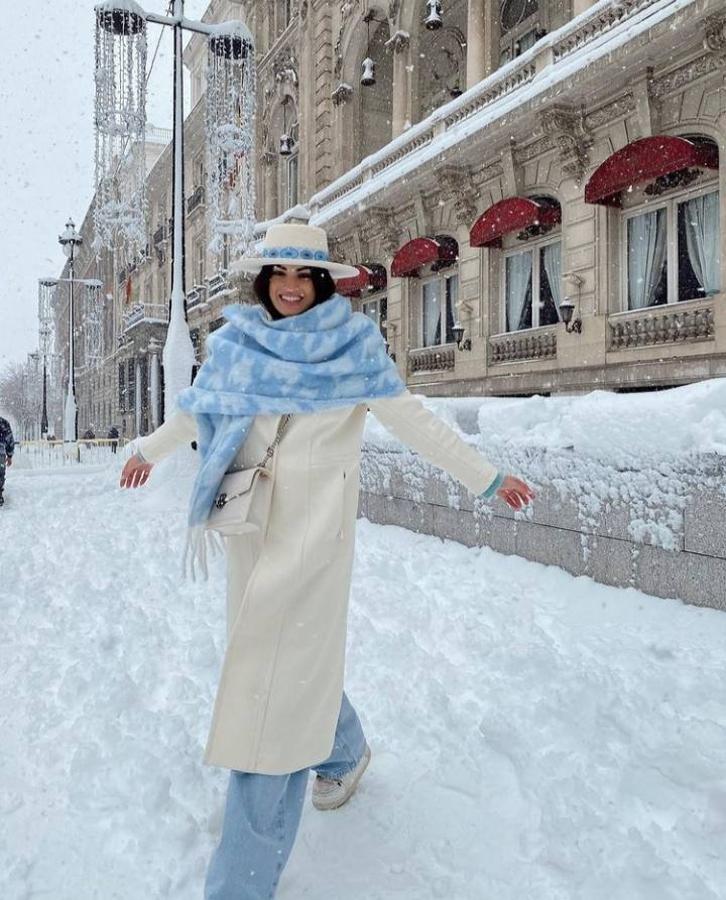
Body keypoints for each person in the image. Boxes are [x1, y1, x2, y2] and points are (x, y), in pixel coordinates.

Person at [120, 223, 535, 899]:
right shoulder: (236, 346)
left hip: (313, 540)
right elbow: (202, 412)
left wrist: (484, 475)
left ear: (322, 283)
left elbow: (414, 421)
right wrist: (148, 450)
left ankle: (240, 884)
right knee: (285, 660)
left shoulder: (353, 347)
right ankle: (345, 749)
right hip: (250, 527)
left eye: (304, 275)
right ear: (264, 281)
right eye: (279, 273)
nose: (290, 286)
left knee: (272, 697)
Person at [0, 416, 15, 507]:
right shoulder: (3, 423)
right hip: (0, 454)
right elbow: (10, 440)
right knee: (0, 474)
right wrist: (9, 455)